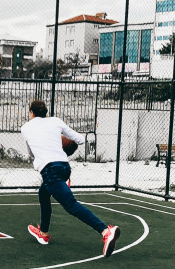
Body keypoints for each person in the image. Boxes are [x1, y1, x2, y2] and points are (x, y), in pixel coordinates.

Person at [21, 100, 121, 258]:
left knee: (71, 205)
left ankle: (105, 231)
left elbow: (32, 153)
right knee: (43, 193)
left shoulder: (26, 128)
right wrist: (58, 143)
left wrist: (47, 146)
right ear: (45, 112)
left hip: (49, 171)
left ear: (31, 113)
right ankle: (43, 233)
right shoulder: (55, 121)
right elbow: (80, 139)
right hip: (64, 167)